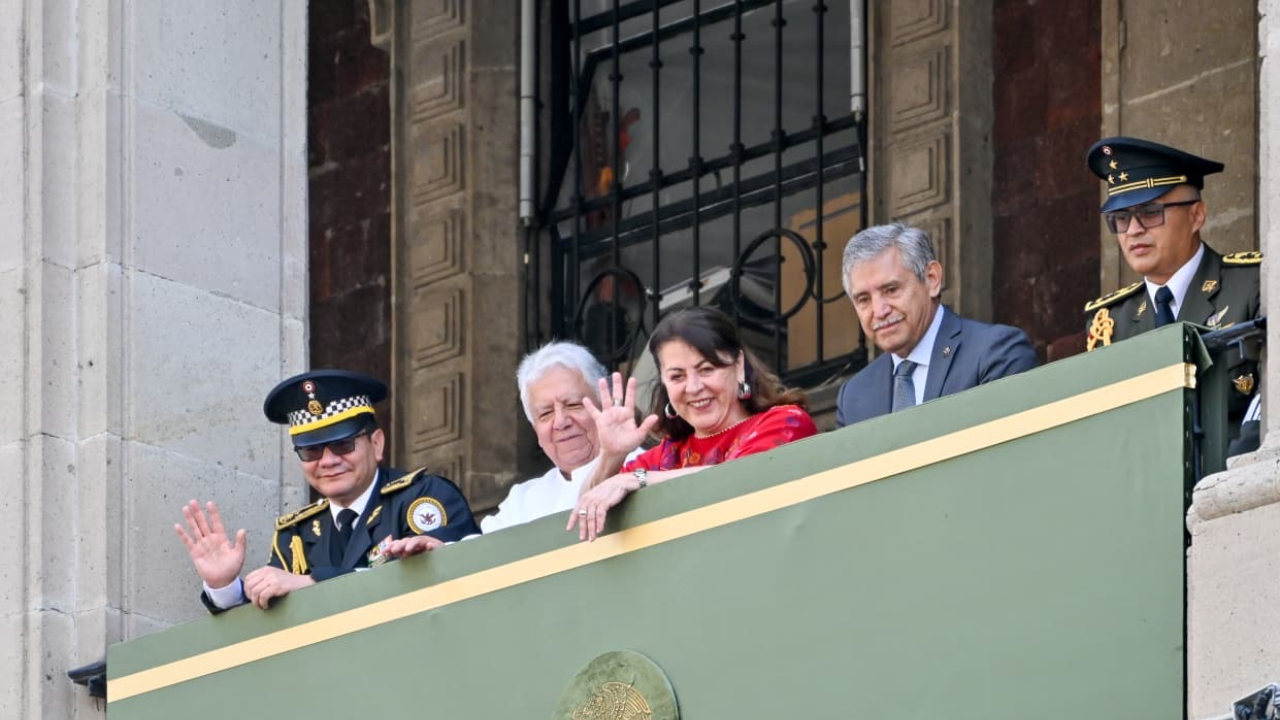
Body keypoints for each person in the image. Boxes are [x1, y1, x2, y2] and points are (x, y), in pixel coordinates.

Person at [174, 370, 480, 612]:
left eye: (343, 444)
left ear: (376, 444)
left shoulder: (421, 497)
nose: (329, 461)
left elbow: (456, 581)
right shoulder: (295, 534)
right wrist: (225, 586)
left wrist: (312, 583)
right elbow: (265, 626)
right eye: (311, 451)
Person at [569, 306, 818, 541]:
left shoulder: (785, 422)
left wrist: (639, 479)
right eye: (677, 376)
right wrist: (611, 456)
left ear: (739, 366)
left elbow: (743, 477)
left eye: (707, 369)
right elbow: (587, 509)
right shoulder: (664, 458)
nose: (694, 387)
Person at [1082, 137, 1261, 434]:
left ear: (1196, 216)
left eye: (1151, 213)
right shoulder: (1110, 321)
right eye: (1120, 218)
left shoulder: (1251, 283)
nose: (1133, 230)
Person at [835, 223, 1037, 427]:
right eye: (863, 299)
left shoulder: (995, 352)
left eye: (891, 290)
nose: (879, 311)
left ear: (932, 279)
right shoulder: (853, 397)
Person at [480, 341, 641, 533]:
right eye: (545, 413)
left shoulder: (647, 465)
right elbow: (481, 551)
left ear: (605, 404)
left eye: (573, 404)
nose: (561, 422)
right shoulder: (522, 501)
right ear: (536, 430)